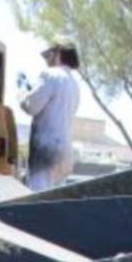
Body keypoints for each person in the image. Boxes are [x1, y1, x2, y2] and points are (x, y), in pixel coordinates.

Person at [19, 38, 81, 191]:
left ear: (58, 53)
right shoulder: (74, 83)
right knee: (54, 200)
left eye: (49, 55)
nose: (47, 60)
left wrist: (22, 93)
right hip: (65, 152)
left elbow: (31, 106)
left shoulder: (49, 75)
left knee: (37, 199)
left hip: (47, 150)